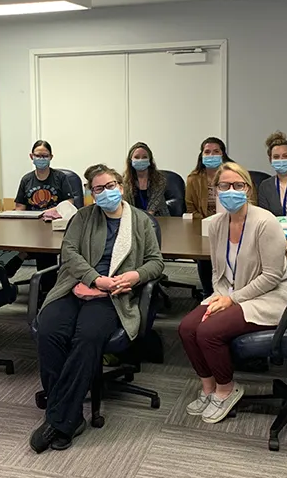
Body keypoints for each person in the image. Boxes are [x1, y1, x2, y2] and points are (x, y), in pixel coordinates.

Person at [30, 164, 165, 453]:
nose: (106, 192)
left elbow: (156, 262)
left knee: (87, 337)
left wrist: (134, 276)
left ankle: (60, 420)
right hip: (76, 287)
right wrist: (94, 279)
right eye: (99, 188)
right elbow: (69, 252)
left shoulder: (141, 221)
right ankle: (70, 416)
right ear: (91, 192)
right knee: (49, 331)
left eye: (111, 185)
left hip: (113, 295)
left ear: (121, 186)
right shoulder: (83, 217)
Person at [178, 162, 287, 423]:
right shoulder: (217, 224)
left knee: (208, 332)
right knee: (187, 328)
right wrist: (220, 298)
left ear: (247, 188)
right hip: (228, 294)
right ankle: (208, 388)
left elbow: (272, 276)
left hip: (268, 298)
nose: (231, 190)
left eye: (237, 185)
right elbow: (218, 272)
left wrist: (232, 299)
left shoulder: (266, 223)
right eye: (224, 185)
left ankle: (226, 389)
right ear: (216, 189)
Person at [184, 137, 250, 297]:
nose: (211, 155)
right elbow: (191, 208)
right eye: (207, 152)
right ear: (201, 155)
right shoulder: (193, 179)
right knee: (205, 255)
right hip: (205, 228)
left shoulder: (234, 176)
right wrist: (211, 222)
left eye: (216, 152)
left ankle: (237, 291)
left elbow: (247, 201)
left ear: (223, 155)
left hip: (234, 223)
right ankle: (209, 293)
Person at [5, 140, 75, 290]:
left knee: (44, 248)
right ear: (32, 156)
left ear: (51, 157)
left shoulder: (60, 178)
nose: (41, 159)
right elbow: (20, 207)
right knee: (34, 244)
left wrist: (51, 212)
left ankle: (25, 261)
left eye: (45, 156)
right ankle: (44, 285)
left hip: (54, 226)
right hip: (31, 225)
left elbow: (69, 202)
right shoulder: (26, 179)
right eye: (38, 155)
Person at [122, 142, 169, 216]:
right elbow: (126, 206)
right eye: (137, 157)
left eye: (144, 157)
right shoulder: (124, 180)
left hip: (159, 219)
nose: (140, 160)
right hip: (133, 219)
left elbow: (152, 209)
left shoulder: (160, 179)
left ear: (150, 160)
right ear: (130, 160)